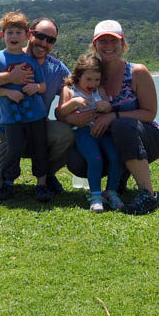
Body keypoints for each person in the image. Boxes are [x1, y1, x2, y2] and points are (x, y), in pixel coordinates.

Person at [62, 19, 159, 215]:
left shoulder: (137, 72)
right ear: (94, 45)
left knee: (122, 125)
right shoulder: (90, 72)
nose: (108, 46)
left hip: (146, 137)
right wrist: (73, 118)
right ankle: (118, 178)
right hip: (107, 140)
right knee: (77, 160)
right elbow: (66, 104)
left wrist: (113, 116)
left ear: (122, 44)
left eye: (114, 41)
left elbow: (150, 113)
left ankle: (148, 194)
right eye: (103, 41)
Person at [0, 15, 73, 201]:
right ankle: (7, 180)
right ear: (31, 35)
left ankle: (45, 177)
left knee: (66, 134)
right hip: (3, 129)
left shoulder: (56, 68)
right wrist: (9, 78)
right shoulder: (0, 58)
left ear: (24, 34)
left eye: (50, 40)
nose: (44, 43)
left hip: (36, 124)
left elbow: (76, 88)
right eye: (40, 36)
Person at [56, 52, 123, 212]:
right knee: (95, 158)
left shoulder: (99, 90)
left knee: (115, 157)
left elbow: (109, 105)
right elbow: (60, 112)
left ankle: (111, 192)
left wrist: (105, 106)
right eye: (89, 79)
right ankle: (95, 195)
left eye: (97, 79)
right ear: (79, 76)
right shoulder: (69, 90)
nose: (93, 83)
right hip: (83, 132)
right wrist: (74, 103)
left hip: (102, 131)